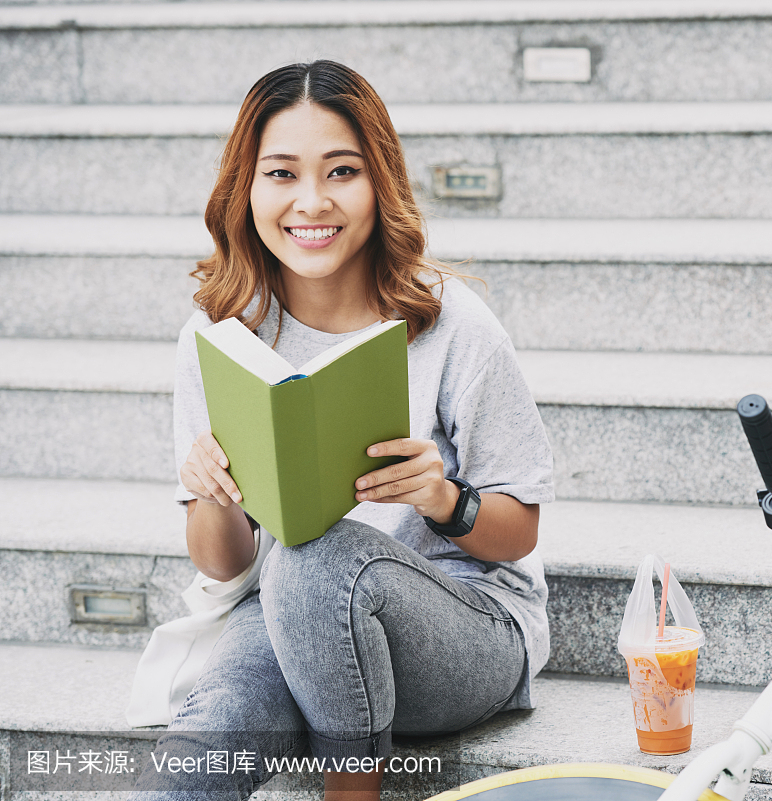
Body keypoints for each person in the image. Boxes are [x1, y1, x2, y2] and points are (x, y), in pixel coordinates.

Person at [129, 60, 554, 801]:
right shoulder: (223, 333)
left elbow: (519, 533)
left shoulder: (452, 324)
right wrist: (213, 493)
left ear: (379, 181)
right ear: (247, 188)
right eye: (283, 174)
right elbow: (226, 566)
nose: (312, 202)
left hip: (465, 628)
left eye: (342, 171)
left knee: (310, 553)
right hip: (297, 618)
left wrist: (446, 500)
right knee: (209, 737)